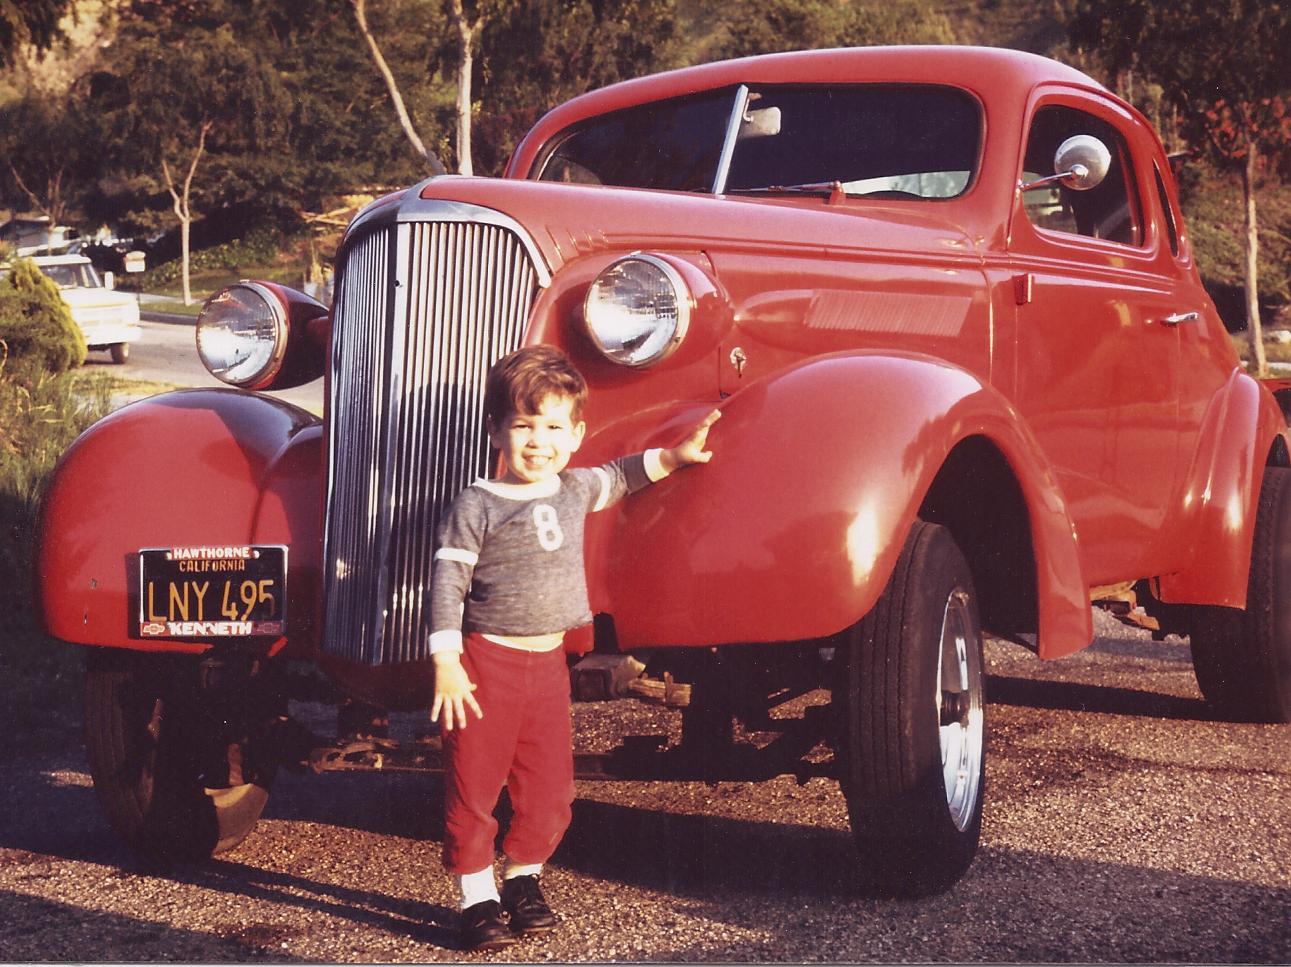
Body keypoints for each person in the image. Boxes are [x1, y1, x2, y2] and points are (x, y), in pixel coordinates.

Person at [428, 345, 721, 951]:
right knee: (474, 786)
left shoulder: (573, 487)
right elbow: (447, 581)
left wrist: (675, 456)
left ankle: (522, 879)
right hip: (487, 664)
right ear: (496, 432)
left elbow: (621, 475)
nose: (540, 441)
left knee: (550, 790)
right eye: (524, 426)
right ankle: (475, 898)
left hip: (548, 667)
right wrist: (446, 661)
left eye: (555, 426)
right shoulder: (476, 504)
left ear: (577, 432)